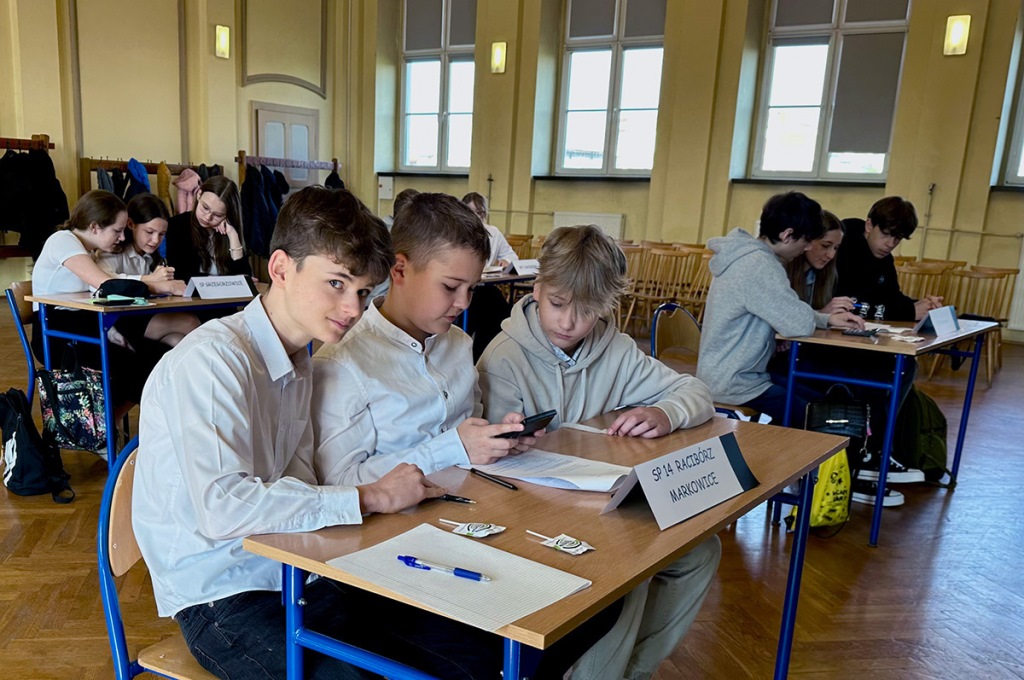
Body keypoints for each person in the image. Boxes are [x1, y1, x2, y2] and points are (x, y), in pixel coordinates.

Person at [133, 186, 529, 680]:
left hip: (297, 568)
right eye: (336, 283)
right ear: (281, 268)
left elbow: (301, 480)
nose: (353, 308)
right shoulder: (213, 360)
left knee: (473, 658)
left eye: (362, 292)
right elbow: (223, 507)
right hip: (222, 591)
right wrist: (368, 496)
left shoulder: (298, 362)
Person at [311, 193, 619, 677]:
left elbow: (467, 436)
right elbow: (339, 485)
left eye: (472, 289)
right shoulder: (344, 360)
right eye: (451, 287)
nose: (463, 304)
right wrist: (453, 446)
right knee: (489, 660)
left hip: (468, 529)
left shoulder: (457, 344)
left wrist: (497, 441)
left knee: (595, 605)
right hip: (384, 559)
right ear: (399, 269)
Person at [476, 224, 720, 680]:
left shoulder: (617, 351)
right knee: (631, 569)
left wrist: (666, 412)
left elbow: (695, 390)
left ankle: (632, 671)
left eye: (587, 310)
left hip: (604, 506)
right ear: (537, 288)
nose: (569, 322)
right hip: (534, 517)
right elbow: (493, 472)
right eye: (558, 303)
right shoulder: (504, 358)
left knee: (700, 552)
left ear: (607, 306)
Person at [697, 192, 864, 425]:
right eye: (806, 241)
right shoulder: (760, 266)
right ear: (787, 235)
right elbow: (798, 325)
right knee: (824, 419)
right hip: (736, 385)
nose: (807, 248)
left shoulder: (746, 256)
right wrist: (817, 318)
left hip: (728, 375)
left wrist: (826, 319)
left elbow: (790, 311)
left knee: (817, 401)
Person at [30, 190, 175, 413]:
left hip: (85, 326)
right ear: (95, 227)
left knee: (158, 355)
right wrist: (156, 284)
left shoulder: (86, 250)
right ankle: (110, 424)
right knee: (136, 365)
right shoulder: (63, 241)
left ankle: (112, 422)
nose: (122, 237)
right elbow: (106, 285)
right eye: (117, 230)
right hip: (56, 334)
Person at [98, 193, 199, 351]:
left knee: (178, 341)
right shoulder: (112, 250)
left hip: (143, 313)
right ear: (131, 224)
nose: (156, 240)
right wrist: (151, 279)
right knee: (190, 322)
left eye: (161, 234)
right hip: (119, 318)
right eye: (149, 232)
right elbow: (104, 283)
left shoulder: (151, 257)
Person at [835, 196, 942, 321]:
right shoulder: (840, 249)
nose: (891, 244)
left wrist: (923, 306)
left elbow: (891, 297)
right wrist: (909, 311)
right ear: (869, 225)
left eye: (898, 238)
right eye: (885, 234)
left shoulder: (885, 258)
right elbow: (848, 306)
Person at [461, 191, 517, 360]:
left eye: (480, 213)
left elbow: (511, 255)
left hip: (484, 287)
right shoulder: (457, 232)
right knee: (488, 304)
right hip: (465, 288)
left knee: (498, 308)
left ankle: (486, 353)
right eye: (472, 212)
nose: (477, 217)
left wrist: (506, 261)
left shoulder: (493, 232)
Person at [164, 175, 251, 283]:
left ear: (228, 215)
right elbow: (179, 274)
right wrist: (219, 281)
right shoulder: (176, 225)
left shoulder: (231, 230)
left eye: (218, 215)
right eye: (205, 208)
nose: (208, 217)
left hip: (225, 293)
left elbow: (244, 277)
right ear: (199, 194)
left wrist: (232, 235)